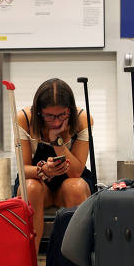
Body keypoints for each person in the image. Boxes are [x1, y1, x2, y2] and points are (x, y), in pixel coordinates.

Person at [14, 79, 94, 252]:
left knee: (76, 187)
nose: (56, 122)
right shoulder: (24, 119)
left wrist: (56, 141)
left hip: (69, 182)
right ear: (39, 112)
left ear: (70, 110)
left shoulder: (82, 119)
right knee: (30, 188)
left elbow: (76, 171)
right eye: (50, 116)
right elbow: (23, 168)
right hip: (37, 181)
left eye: (61, 115)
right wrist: (43, 170)